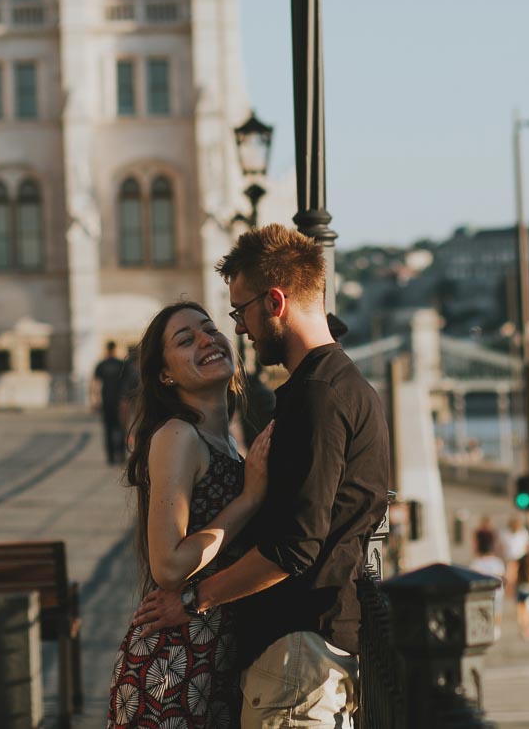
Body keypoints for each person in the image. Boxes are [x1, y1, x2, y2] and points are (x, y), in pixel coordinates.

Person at [132, 224, 392, 729]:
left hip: (297, 654)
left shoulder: (316, 395)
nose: (239, 329)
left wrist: (195, 599)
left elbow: (293, 547)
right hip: (299, 649)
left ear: (274, 302)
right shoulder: (332, 387)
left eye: (240, 312)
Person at [107, 302, 273, 728]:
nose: (207, 339)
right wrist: (251, 498)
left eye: (210, 329)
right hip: (173, 666)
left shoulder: (223, 441)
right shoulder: (178, 435)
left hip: (208, 660)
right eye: (185, 339)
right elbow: (168, 565)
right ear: (165, 375)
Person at [91, 340, 129, 465]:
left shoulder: (101, 365)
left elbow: (96, 385)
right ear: (115, 349)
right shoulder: (121, 364)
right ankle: (122, 455)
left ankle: (111, 457)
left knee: (108, 429)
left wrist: (95, 402)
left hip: (106, 401)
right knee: (121, 428)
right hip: (120, 402)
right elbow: (127, 384)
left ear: (106, 349)